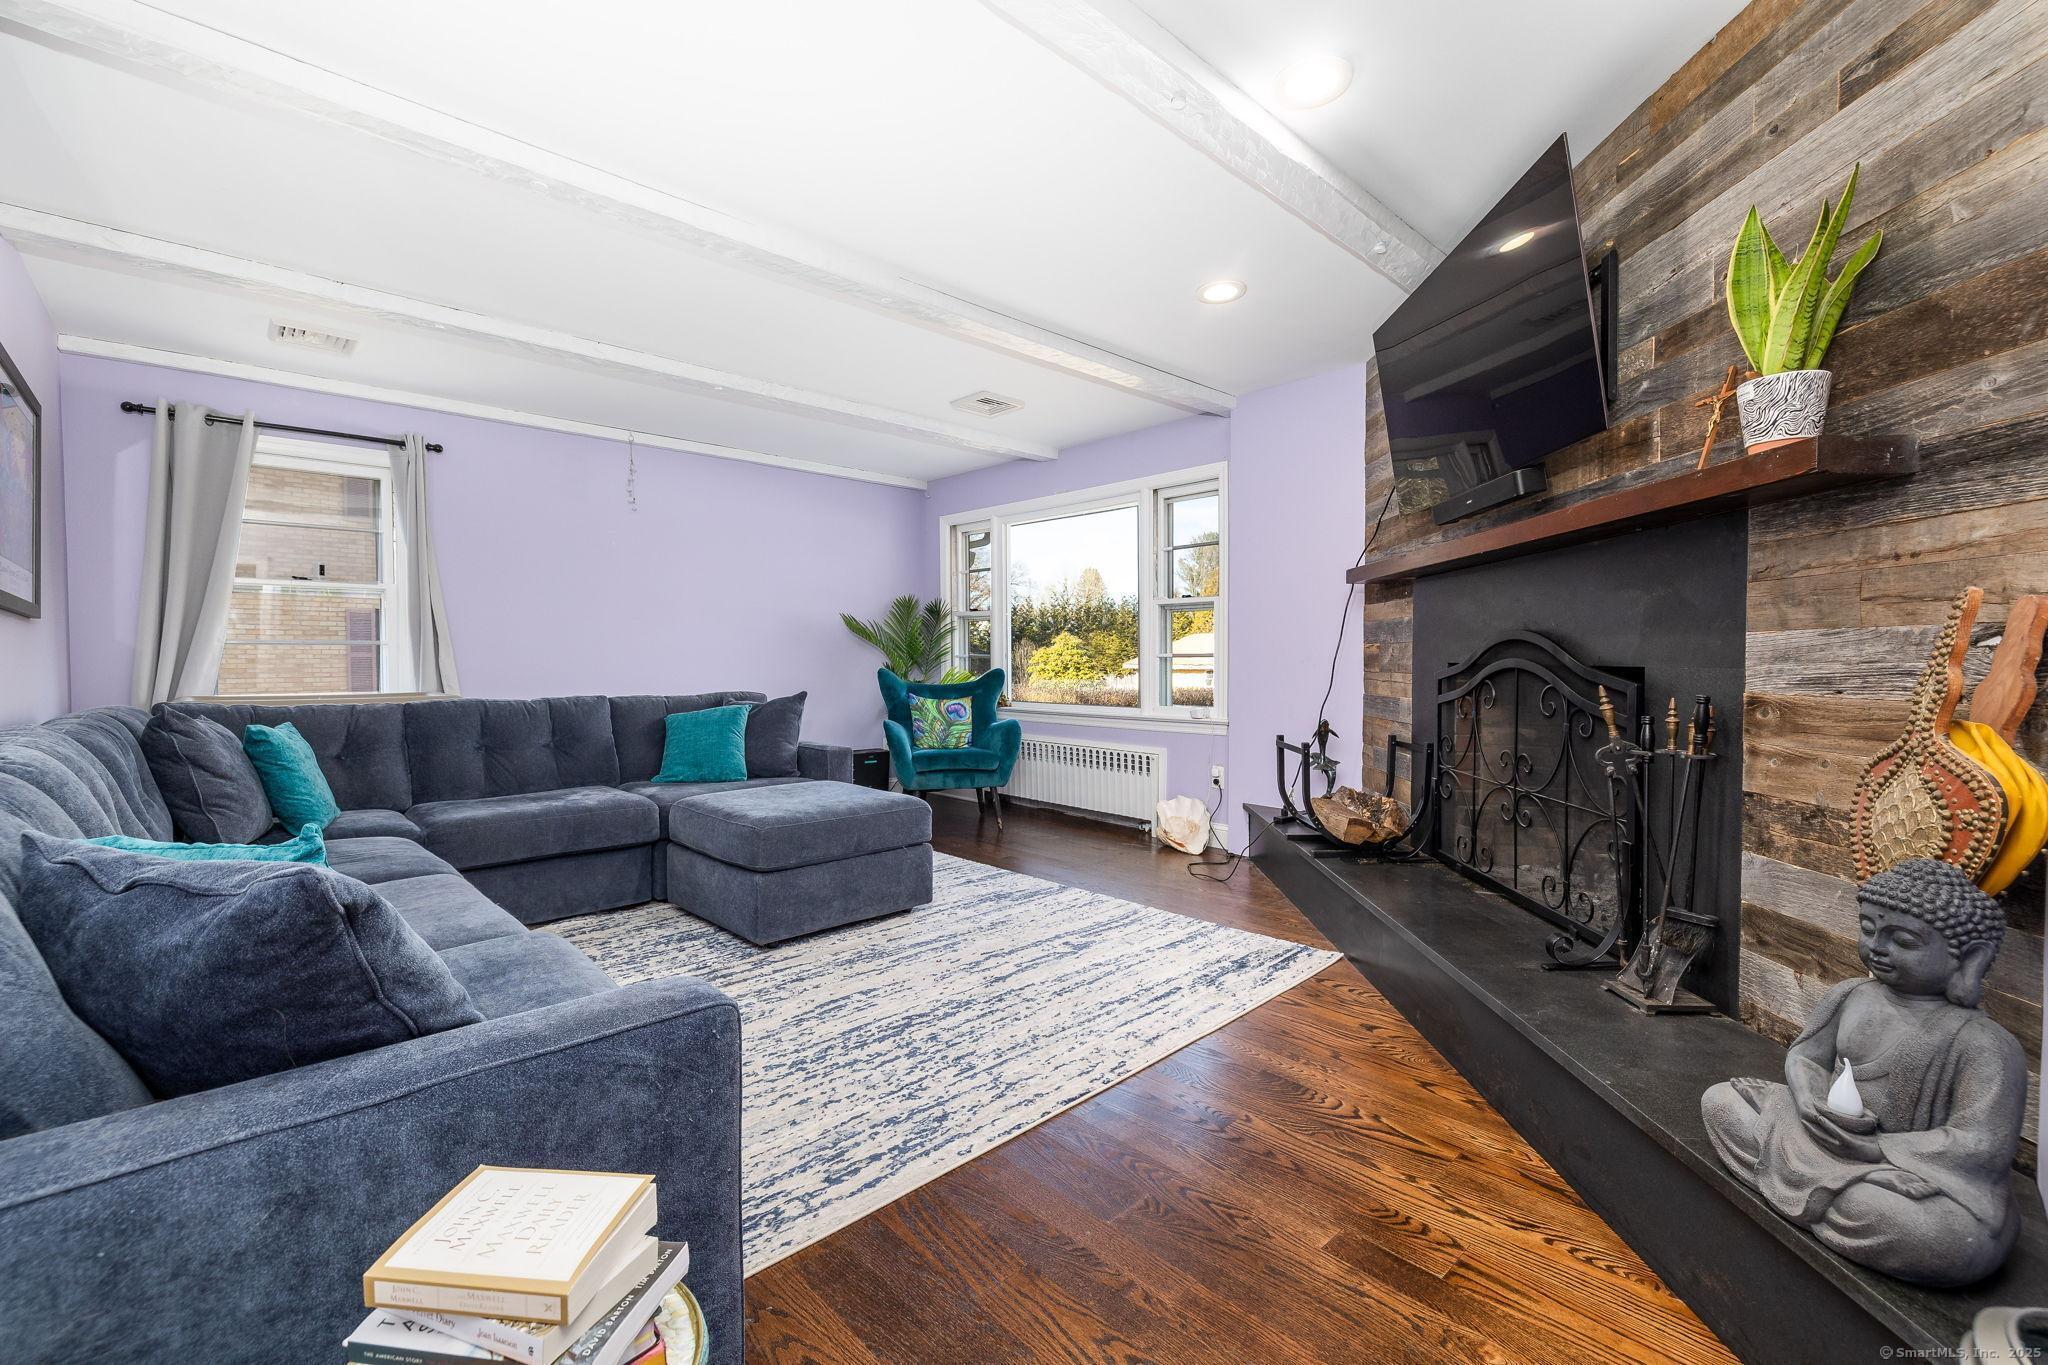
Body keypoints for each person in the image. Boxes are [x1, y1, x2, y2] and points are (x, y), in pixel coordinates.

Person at [1701, 858, 2025, 1286]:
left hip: (1908, 1166)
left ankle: (1824, 1184)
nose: (1877, 948)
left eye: (1903, 940)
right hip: (1823, 1134)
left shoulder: (1985, 1042)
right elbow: (1806, 1057)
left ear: (1969, 957)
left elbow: (1981, 1145)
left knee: (1949, 1241)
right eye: (1868, 930)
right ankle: (1826, 1184)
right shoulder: (1850, 994)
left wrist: (1877, 1150)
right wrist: (1806, 1101)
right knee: (1719, 1101)